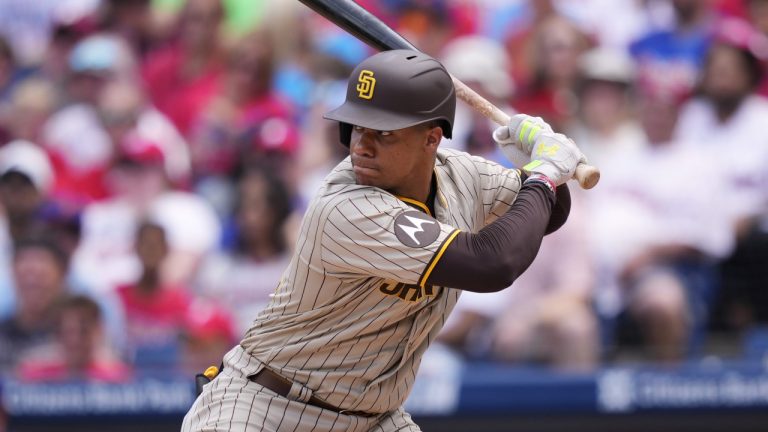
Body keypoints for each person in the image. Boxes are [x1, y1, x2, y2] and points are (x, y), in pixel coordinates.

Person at [181, 49, 585, 432]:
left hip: (371, 418)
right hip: (266, 407)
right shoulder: (346, 206)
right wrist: (545, 174)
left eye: (383, 132)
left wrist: (537, 165)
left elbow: (547, 214)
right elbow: (493, 264)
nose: (362, 145)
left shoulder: (462, 174)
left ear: (431, 138)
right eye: (357, 127)